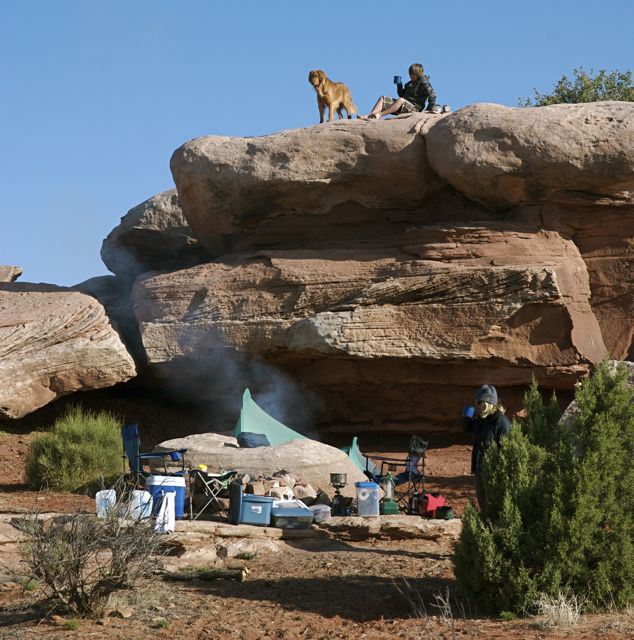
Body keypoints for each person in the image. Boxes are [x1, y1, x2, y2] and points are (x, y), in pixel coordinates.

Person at [463, 384, 511, 517]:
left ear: (487, 403)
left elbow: (507, 448)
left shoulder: (500, 421)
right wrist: (467, 414)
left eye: (479, 402)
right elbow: (467, 429)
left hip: (492, 471)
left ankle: (493, 532)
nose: (476, 405)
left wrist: (501, 471)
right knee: (483, 504)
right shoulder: (482, 420)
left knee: (493, 505)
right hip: (479, 468)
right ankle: (486, 532)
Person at [359, 63, 437, 120]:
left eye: (412, 74)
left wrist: (428, 109)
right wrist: (399, 85)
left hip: (415, 109)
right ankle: (370, 116)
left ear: (417, 74)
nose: (410, 75)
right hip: (404, 106)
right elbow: (402, 95)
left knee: (401, 100)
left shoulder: (424, 83)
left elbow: (433, 95)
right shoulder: (410, 84)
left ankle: (380, 115)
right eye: (410, 73)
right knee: (383, 98)